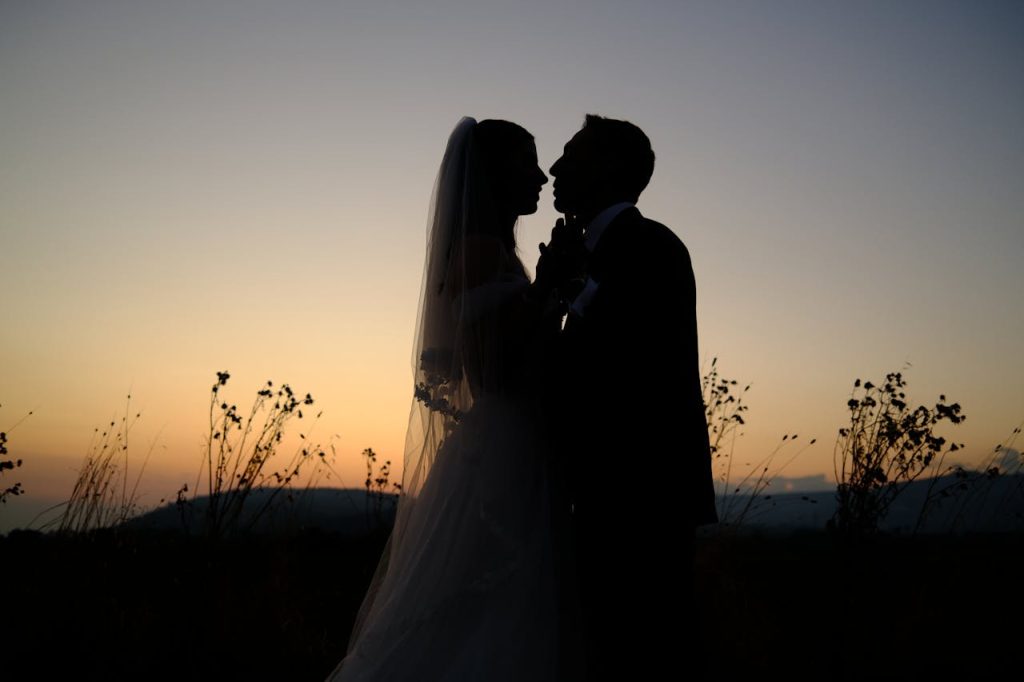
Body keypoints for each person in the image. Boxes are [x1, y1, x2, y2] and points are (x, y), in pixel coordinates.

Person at [326, 117, 560, 681]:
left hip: (515, 441)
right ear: (494, 174)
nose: (541, 175)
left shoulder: (493, 250)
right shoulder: (478, 252)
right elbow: (496, 368)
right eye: (527, 162)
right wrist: (550, 289)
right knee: (492, 598)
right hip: (504, 445)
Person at [542, 114, 719, 681]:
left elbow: (628, 364)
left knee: (647, 651)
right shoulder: (586, 252)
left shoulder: (652, 247)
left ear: (608, 168)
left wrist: (568, 291)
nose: (555, 168)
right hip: (600, 497)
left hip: (642, 502)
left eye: (570, 155)